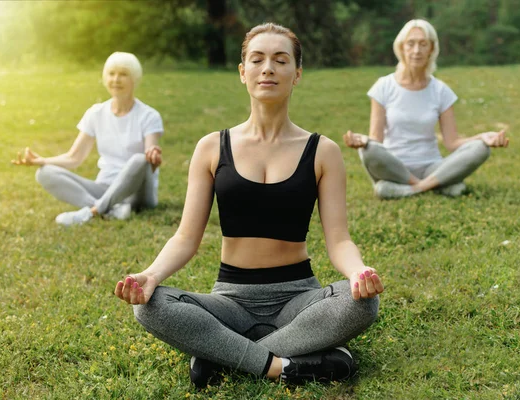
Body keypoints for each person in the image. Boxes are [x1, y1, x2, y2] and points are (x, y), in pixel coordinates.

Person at [114, 23, 383, 388]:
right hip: (231, 302)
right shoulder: (211, 147)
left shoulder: (324, 152)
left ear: (297, 73)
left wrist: (357, 272)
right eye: (257, 59)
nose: (268, 68)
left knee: (363, 303)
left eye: (280, 60)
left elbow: (338, 240)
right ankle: (284, 366)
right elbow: (185, 237)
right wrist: (151, 275)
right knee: (148, 305)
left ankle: (221, 355)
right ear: (243, 73)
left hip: (298, 299)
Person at [343, 19, 509, 199]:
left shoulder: (441, 90)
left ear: (431, 49)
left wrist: (483, 137)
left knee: (481, 148)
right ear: (401, 48)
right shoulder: (383, 87)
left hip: (432, 167)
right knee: (368, 149)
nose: (416, 50)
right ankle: (438, 186)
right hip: (395, 167)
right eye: (411, 44)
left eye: (423, 44)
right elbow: (376, 140)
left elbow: (452, 142)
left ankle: (411, 189)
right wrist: (362, 140)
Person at [12, 52, 164, 225]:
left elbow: (149, 153)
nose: (116, 79)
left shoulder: (149, 116)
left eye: (123, 74)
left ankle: (93, 212)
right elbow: (74, 158)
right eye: (111, 73)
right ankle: (110, 209)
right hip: (104, 188)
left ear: (135, 79)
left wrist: (152, 156)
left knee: (140, 159)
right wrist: (41, 160)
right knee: (44, 172)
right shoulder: (95, 113)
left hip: (137, 193)